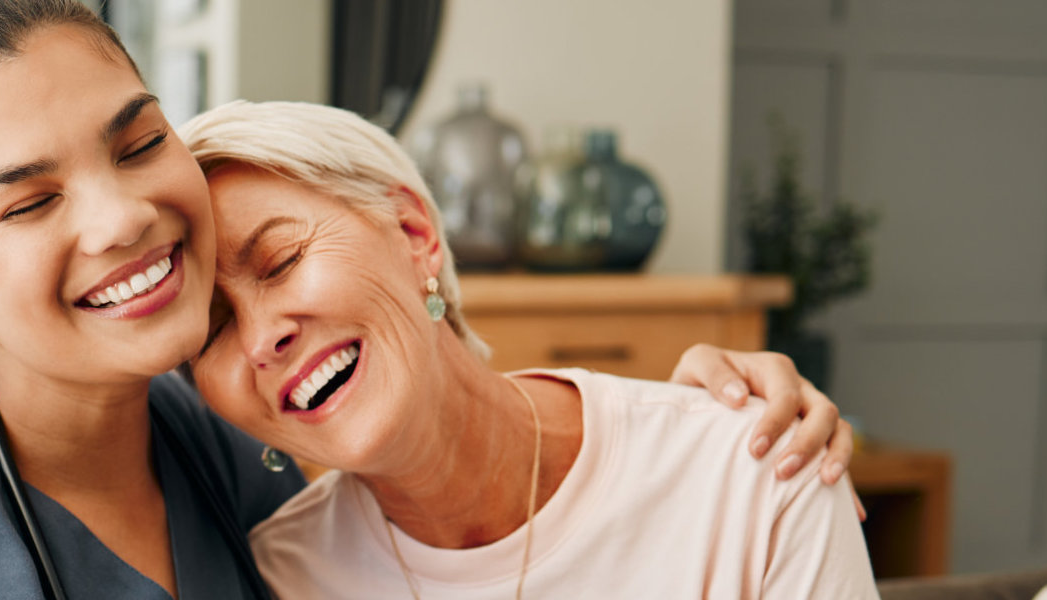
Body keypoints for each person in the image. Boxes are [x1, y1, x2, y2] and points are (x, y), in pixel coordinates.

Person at [0, 2, 851, 598]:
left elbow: (478, 440)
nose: (120, 219)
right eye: (28, 200)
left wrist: (713, 413)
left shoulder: (238, 438)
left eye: (137, 142)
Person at [182, 100, 877, 599]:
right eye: (210, 330)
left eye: (279, 260)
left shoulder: (756, 470)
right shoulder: (276, 579)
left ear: (413, 232)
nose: (261, 335)